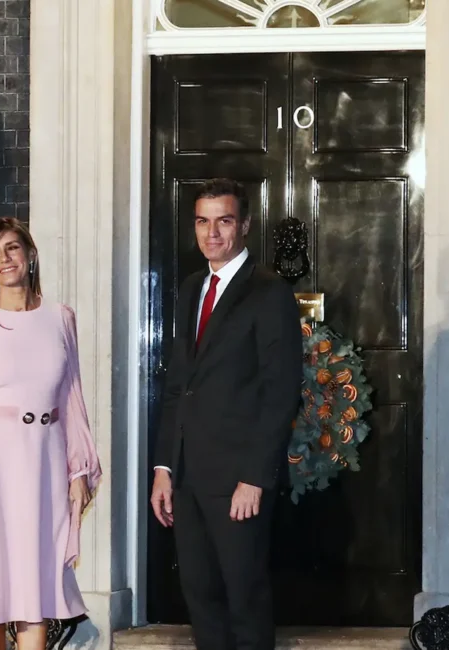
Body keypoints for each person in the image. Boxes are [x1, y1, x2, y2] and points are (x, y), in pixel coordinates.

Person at [150, 179, 303, 650]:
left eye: (224, 220)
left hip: (239, 480)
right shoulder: (193, 287)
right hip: (189, 479)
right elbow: (180, 386)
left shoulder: (269, 291)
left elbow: (281, 393)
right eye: (202, 220)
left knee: (245, 599)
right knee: (201, 599)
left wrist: (255, 477)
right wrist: (163, 468)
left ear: (245, 225)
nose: (211, 232)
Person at [0, 217, 102, 650]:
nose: (5, 259)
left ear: (30, 255)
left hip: (45, 462)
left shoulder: (60, 318)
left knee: (36, 585)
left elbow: (72, 399)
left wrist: (77, 470)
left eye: (12, 248)